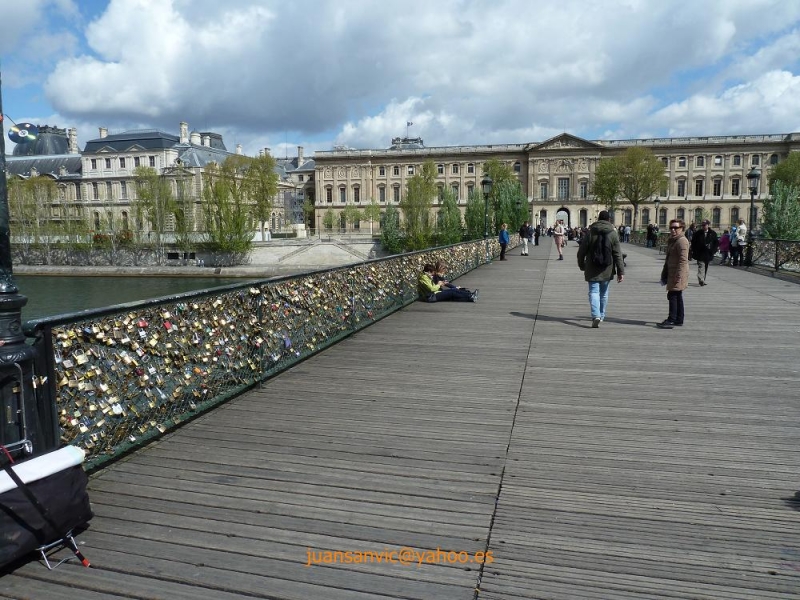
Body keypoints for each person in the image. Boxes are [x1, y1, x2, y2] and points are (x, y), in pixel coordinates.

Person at [577, 210, 624, 328]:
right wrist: (620, 271)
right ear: (609, 220)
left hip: (592, 266)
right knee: (604, 293)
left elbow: (581, 252)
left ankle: (596, 315)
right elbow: (618, 254)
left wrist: (582, 265)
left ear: (598, 219)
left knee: (593, 292)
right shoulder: (613, 233)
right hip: (607, 267)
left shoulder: (590, 232)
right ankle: (602, 315)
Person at [657, 219, 690, 328]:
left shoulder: (682, 241)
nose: (673, 230)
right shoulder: (673, 240)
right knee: (677, 295)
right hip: (672, 271)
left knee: (673, 295)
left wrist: (679, 274)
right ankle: (679, 319)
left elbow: (683, 260)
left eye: (676, 228)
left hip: (677, 273)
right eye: (671, 227)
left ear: (682, 229)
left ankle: (672, 319)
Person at [690, 219, 719, 286]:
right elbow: (693, 242)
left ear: (708, 225)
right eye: (702, 225)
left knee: (706, 266)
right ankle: (701, 279)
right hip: (700, 252)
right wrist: (694, 250)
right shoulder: (698, 233)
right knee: (701, 265)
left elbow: (716, 243)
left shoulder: (713, 233)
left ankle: (703, 279)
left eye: (704, 225)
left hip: (708, 253)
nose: (703, 226)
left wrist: (713, 250)